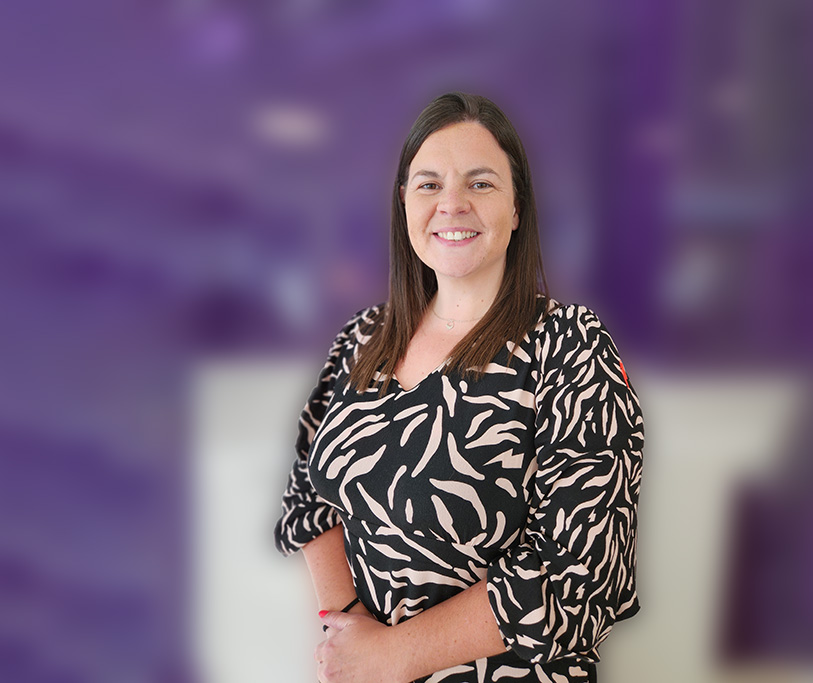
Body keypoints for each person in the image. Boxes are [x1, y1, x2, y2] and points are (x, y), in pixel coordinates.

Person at [274, 92, 644, 683]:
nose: (452, 204)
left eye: (481, 183)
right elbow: (306, 498)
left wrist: (394, 657)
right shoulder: (361, 339)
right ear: (403, 204)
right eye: (428, 185)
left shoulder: (570, 346)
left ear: (517, 207)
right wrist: (349, 630)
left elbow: (579, 572)